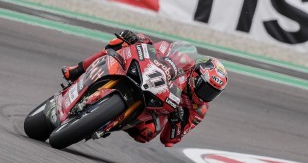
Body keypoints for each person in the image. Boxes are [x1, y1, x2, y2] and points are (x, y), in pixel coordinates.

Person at [62, 30, 228, 147]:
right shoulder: (185, 61)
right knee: (123, 41)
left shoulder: (199, 109)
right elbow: (160, 49)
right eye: (204, 87)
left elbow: (169, 139)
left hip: (157, 107)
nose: (206, 95)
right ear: (196, 75)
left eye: (212, 93)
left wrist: (177, 121)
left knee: (147, 133)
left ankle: (107, 123)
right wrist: (138, 40)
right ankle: (77, 69)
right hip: (148, 75)